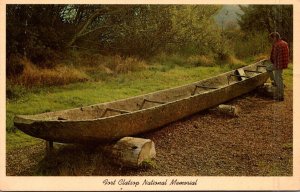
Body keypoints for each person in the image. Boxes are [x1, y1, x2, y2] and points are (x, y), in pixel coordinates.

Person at [266, 32, 289, 101]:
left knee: (279, 80)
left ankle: (280, 97)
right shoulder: (285, 43)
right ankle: (274, 81)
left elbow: (274, 56)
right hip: (282, 63)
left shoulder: (277, 45)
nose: (272, 40)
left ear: (275, 38)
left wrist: (272, 61)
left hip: (278, 64)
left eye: (272, 38)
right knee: (268, 68)